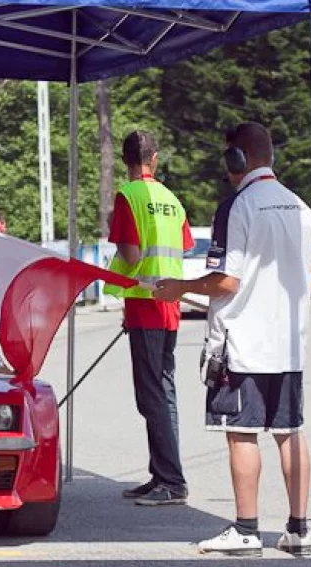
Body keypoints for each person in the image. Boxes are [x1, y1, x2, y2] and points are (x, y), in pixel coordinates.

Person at [154, 122, 311, 557]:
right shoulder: (301, 208)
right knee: (289, 431)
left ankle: (246, 528)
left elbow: (227, 281)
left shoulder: (237, 206)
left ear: (237, 159)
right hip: (291, 342)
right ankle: (298, 529)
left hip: (244, 341)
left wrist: (179, 287)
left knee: (241, 433)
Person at [103, 130, 193, 507]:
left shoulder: (128, 196)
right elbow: (184, 247)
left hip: (144, 303)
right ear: (153, 158)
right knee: (165, 391)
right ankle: (164, 474)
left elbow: (131, 251)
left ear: (126, 160)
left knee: (152, 395)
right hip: (170, 305)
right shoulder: (171, 199)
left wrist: (116, 277)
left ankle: (170, 480)